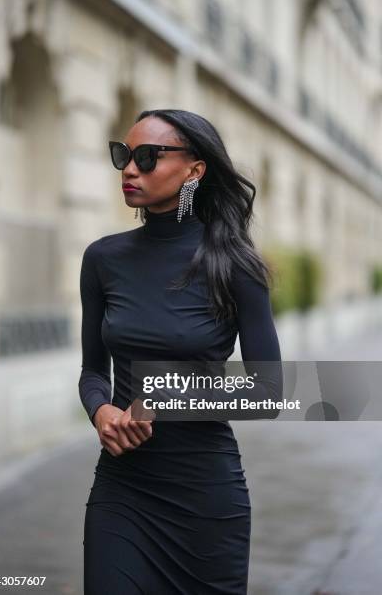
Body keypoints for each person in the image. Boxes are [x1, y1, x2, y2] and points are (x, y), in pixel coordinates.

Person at [79, 109, 282, 594]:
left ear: (195, 169)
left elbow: (269, 392)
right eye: (123, 156)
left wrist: (160, 397)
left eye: (148, 157)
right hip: (123, 490)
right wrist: (101, 409)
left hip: (205, 499)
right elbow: (92, 371)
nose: (130, 169)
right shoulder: (103, 258)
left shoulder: (235, 264)